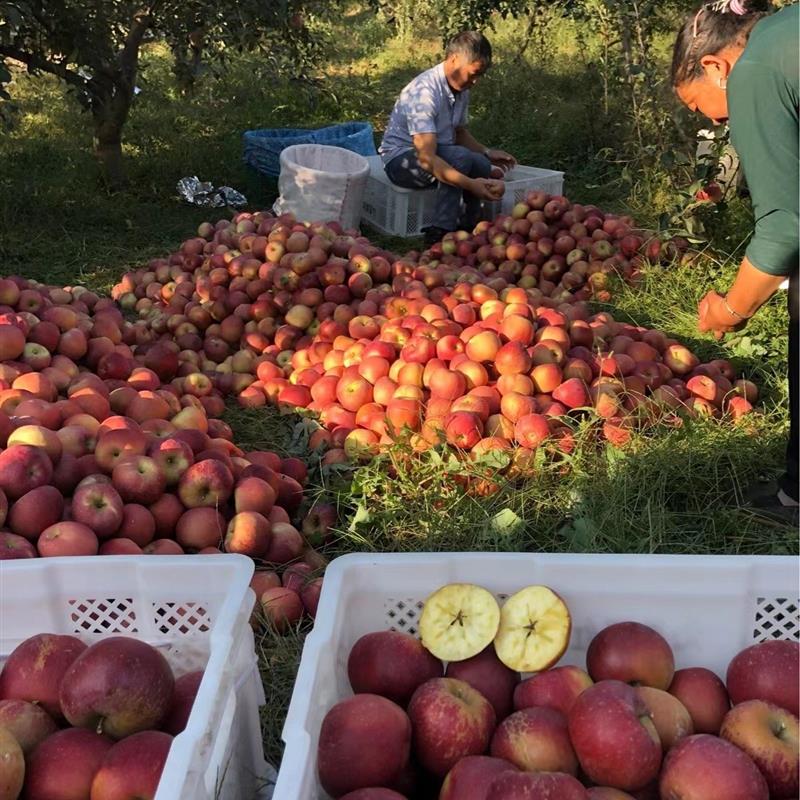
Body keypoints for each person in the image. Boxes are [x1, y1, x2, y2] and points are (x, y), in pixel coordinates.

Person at [671, 0, 798, 519]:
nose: (712, 120)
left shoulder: (755, 71)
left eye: (699, 107)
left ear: (714, 67)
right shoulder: (782, 31)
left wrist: (730, 309)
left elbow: (786, 225)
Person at [379, 31, 515, 246]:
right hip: (402, 160)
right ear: (454, 60)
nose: (476, 81)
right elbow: (426, 159)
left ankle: (469, 228)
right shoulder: (424, 93)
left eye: (480, 75)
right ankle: (440, 232)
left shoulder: (461, 88)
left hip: (440, 151)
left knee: (479, 162)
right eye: (473, 74)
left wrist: (487, 152)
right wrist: (471, 185)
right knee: (460, 158)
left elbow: (459, 133)